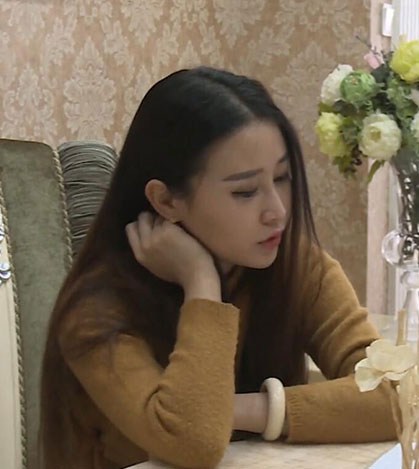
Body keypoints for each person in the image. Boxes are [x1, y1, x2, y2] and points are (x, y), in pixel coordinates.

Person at [40, 66, 396, 469]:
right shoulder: (95, 312)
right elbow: (193, 441)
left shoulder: (295, 264)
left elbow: (398, 394)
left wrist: (245, 409)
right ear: (166, 201)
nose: (277, 212)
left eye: (282, 177)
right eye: (245, 191)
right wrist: (201, 281)